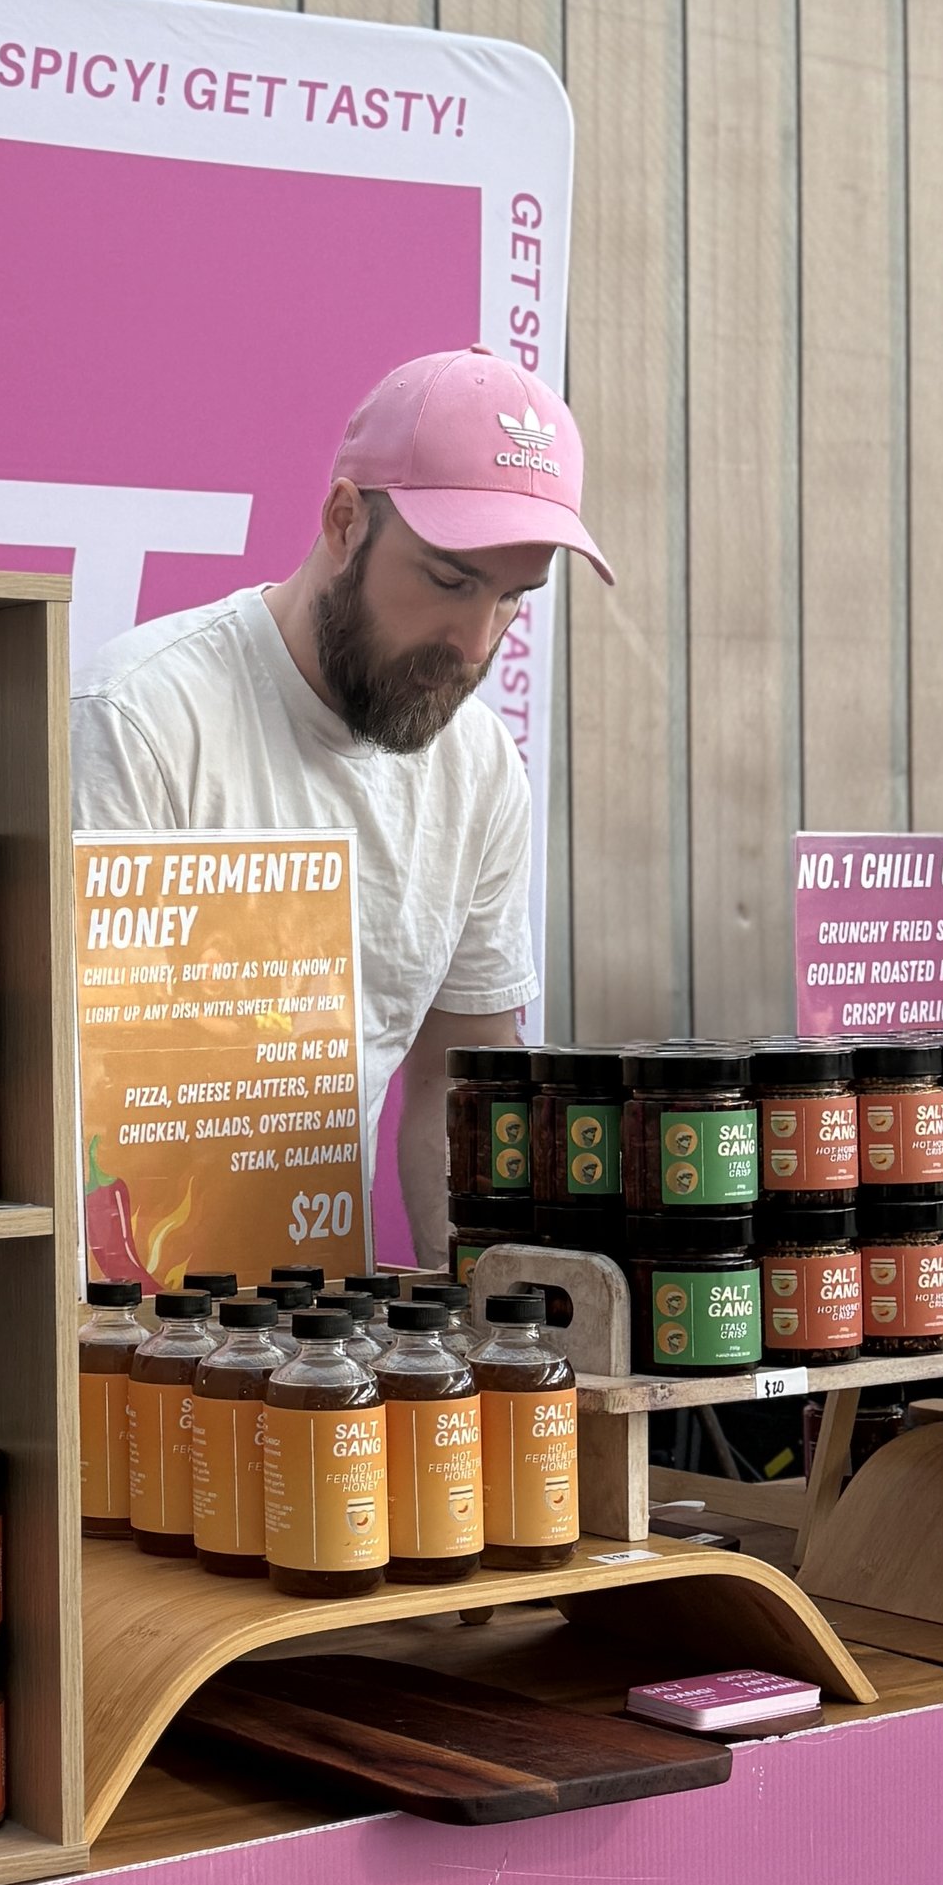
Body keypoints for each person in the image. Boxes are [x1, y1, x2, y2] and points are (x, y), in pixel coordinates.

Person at [72, 345, 614, 1262]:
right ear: (342, 520)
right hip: (127, 1337)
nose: (475, 644)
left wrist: (481, 1324)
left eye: (513, 599)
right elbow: (81, 1097)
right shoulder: (140, 719)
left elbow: (457, 1084)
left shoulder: (480, 767)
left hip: (328, 1347)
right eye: (448, 581)